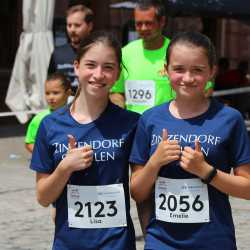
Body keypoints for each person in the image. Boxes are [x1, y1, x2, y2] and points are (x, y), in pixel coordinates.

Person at [129, 31, 250, 249]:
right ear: (165, 70)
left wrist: (206, 171)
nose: (187, 78)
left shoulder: (230, 119)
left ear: (212, 71)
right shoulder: (150, 119)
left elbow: (247, 188)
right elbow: (137, 192)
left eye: (198, 70)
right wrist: (155, 162)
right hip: (161, 242)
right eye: (178, 69)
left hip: (214, 241)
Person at [30, 31, 139, 250]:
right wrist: (64, 168)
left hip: (116, 244)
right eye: (91, 65)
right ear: (77, 67)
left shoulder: (132, 124)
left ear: (118, 73)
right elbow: (43, 197)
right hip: (68, 243)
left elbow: (142, 190)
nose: (98, 74)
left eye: (108, 67)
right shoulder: (50, 126)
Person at [110, 0, 173, 112]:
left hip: (165, 127)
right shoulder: (125, 53)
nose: (143, 28)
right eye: (138, 23)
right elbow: (116, 92)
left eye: (149, 23)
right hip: (133, 126)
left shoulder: (175, 52)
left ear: (162, 22)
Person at [48, 1, 93, 94]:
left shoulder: (98, 53)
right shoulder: (58, 54)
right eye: (69, 25)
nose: (72, 29)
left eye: (77, 25)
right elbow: (50, 85)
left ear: (89, 26)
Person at [25, 72, 71, 153]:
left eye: (55, 93)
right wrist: (45, 156)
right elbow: (29, 143)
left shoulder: (77, 116)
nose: (51, 97)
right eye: (47, 93)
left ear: (68, 93)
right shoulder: (40, 118)